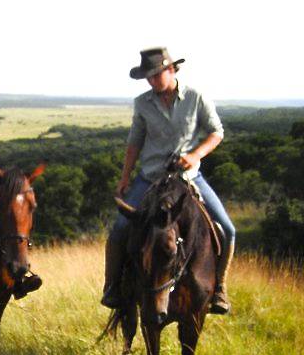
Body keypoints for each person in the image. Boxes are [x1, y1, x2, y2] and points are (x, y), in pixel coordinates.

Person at [101, 47, 235, 315]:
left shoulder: (196, 97)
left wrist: (195, 154)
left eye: (156, 75)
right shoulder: (142, 103)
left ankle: (219, 288)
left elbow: (215, 132)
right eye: (148, 78)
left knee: (227, 229)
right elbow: (135, 142)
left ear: (171, 69)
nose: (152, 81)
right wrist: (125, 177)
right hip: (150, 178)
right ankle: (113, 286)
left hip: (188, 178)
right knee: (118, 229)